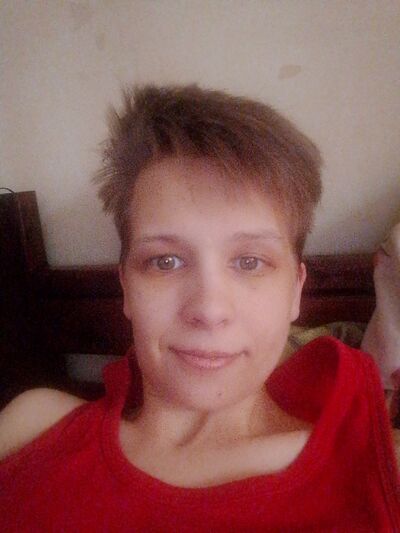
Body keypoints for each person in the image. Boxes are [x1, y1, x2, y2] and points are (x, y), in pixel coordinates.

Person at [0, 85, 399, 531]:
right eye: (165, 261)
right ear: (127, 287)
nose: (209, 309)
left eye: (250, 262)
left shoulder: (381, 477)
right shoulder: (29, 427)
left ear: (295, 292)